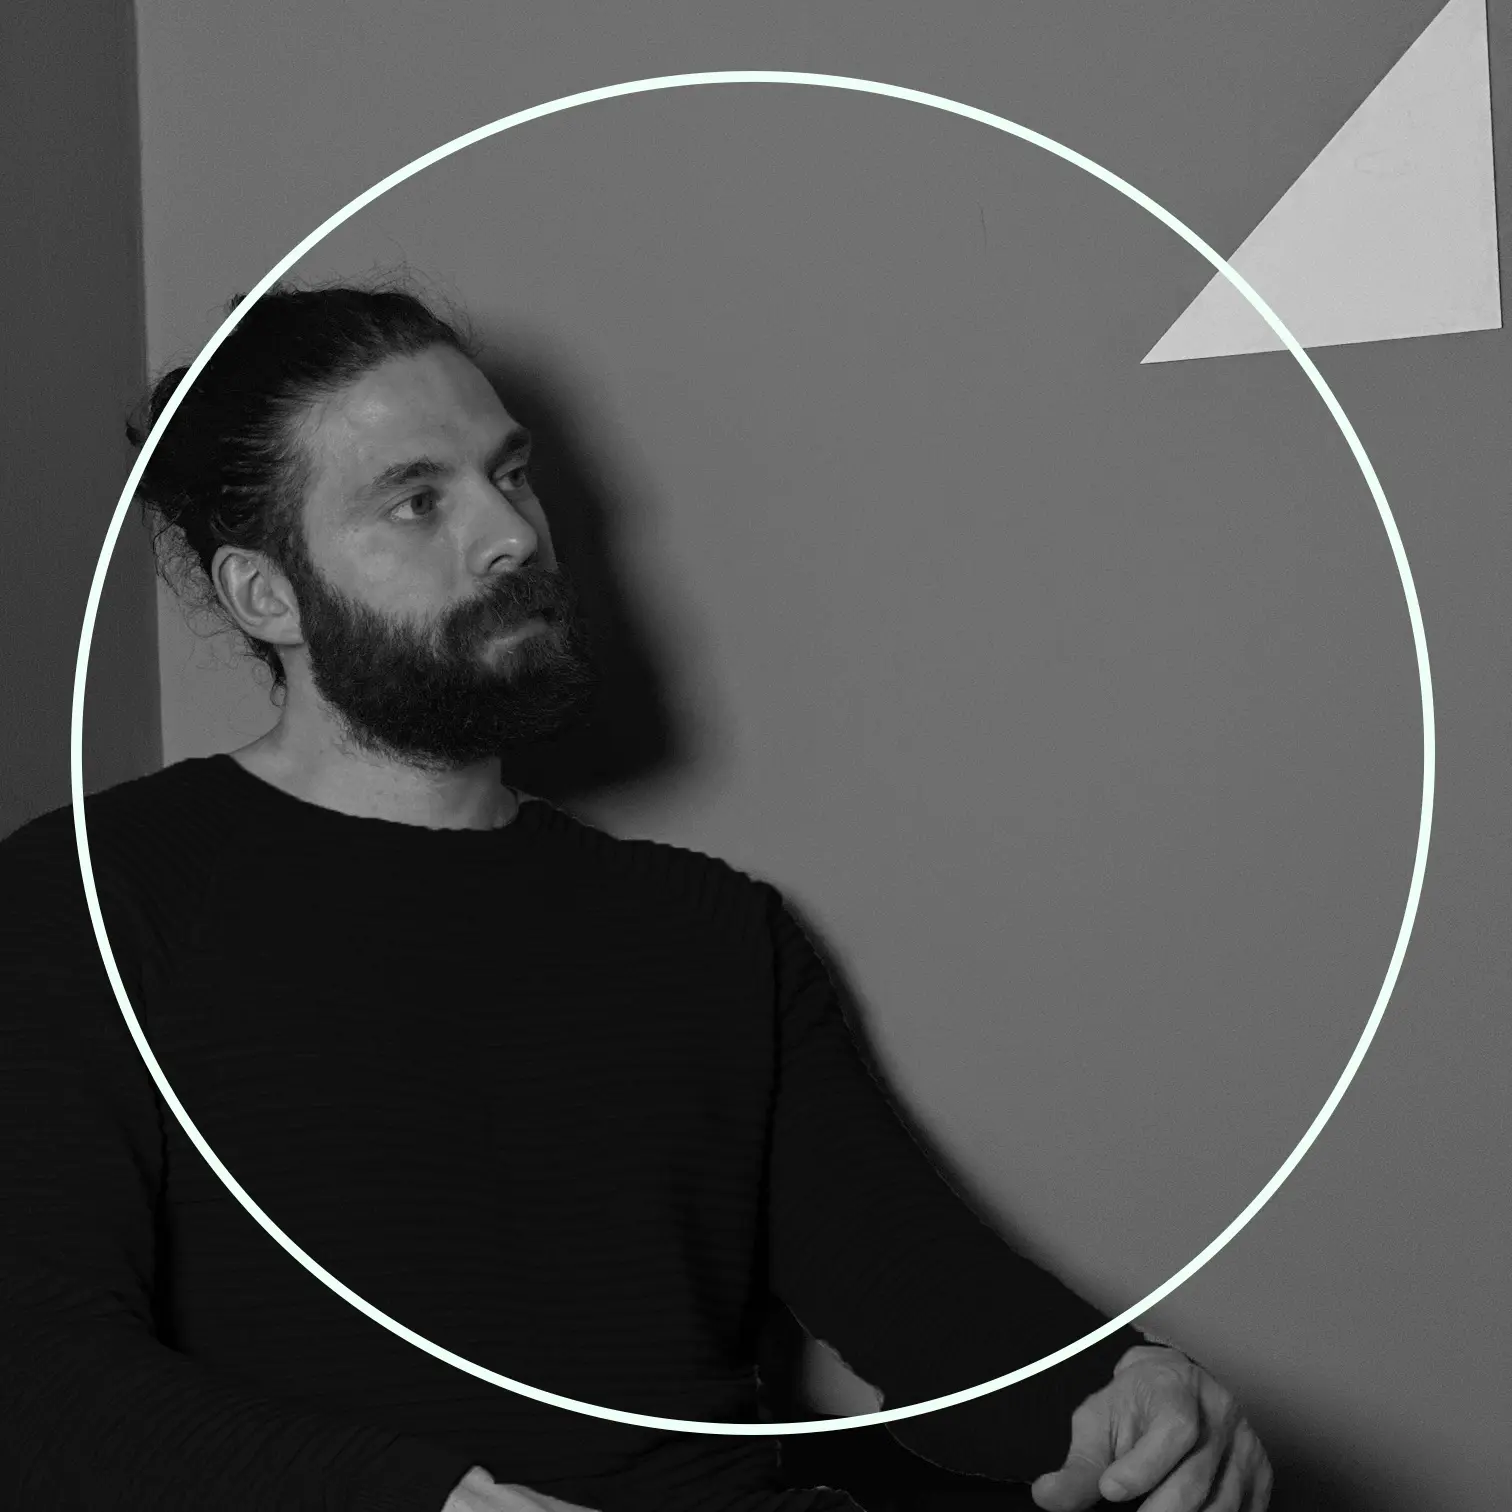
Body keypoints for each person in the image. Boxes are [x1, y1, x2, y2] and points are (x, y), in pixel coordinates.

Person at [0, 281, 1272, 1512]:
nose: (511, 535)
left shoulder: (708, 930)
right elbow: (38, 1370)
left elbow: (907, 1280)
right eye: (416, 501)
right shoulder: (93, 900)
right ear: (267, 594)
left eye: (509, 475)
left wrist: (1122, 1383)